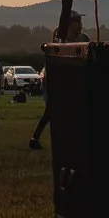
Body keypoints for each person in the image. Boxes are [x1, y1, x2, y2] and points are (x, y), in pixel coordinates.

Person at [28, 12, 85, 150]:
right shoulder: (59, 40)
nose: (80, 25)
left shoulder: (84, 38)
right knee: (53, 111)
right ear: (69, 24)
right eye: (77, 21)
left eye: (80, 21)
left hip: (73, 79)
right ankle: (37, 139)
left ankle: (36, 138)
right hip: (55, 80)